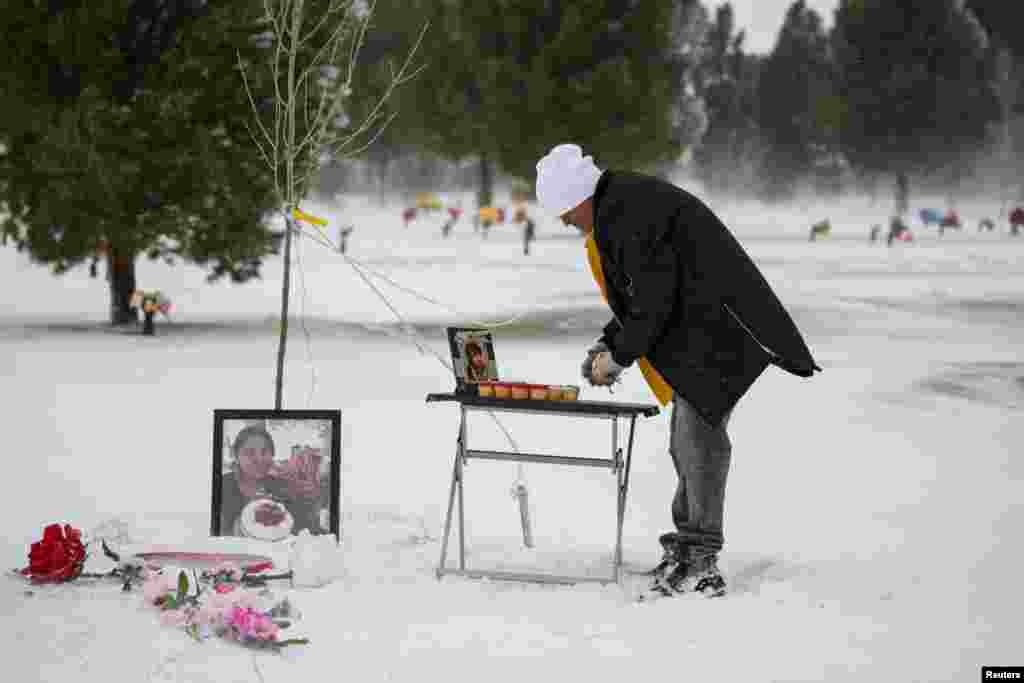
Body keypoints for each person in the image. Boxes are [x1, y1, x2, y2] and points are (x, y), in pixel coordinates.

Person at [535, 143, 821, 598]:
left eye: (565, 213)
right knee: (684, 443)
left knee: (698, 443)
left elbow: (654, 299)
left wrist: (621, 355)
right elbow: (638, 295)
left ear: (577, 199)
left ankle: (701, 560)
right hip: (702, 330)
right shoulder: (619, 207)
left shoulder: (628, 211)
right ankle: (687, 549)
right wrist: (610, 342)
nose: (565, 223)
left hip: (723, 330)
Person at [219, 425, 323, 537]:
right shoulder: (222, 486)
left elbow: (303, 527)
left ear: (272, 455)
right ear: (236, 456)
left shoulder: (281, 486)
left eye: (264, 452)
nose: (259, 459)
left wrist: (311, 502)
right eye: (250, 453)